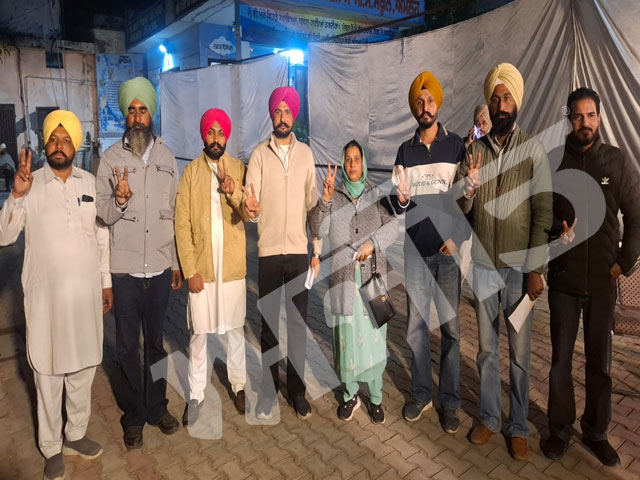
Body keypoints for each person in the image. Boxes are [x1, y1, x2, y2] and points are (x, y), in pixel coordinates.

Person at [0, 110, 112, 480]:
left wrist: (106, 282)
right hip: (46, 301)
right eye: (53, 139)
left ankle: (75, 434)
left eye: (66, 140)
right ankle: (50, 447)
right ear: (44, 145)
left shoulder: (89, 182)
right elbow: (4, 236)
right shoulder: (30, 185)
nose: (59, 145)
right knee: (48, 374)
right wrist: (16, 196)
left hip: (84, 298)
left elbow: (101, 236)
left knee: (82, 368)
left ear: (75, 146)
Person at [455, 63, 552, 460]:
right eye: (495, 99)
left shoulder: (532, 150)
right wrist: (468, 189)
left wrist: (536, 268)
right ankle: (491, 418)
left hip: (517, 270)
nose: (500, 105)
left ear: (517, 102)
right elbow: (460, 208)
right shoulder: (473, 152)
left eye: (506, 98)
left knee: (520, 354)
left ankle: (518, 426)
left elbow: (543, 212)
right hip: (483, 265)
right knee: (486, 350)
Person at [542, 87, 640, 466]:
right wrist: (555, 233)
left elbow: (636, 216)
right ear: (569, 118)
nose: (585, 122)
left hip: (602, 283)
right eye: (578, 116)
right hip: (564, 282)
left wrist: (622, 264)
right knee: (560, 362)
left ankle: (596, 432)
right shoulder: (555, 161)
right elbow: (542, 215)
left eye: (591, 115)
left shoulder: (616, 161)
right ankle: (559, 429)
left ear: (599, 117)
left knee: (600, 364)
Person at [96, 76, 182, 449]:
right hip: (125, 272)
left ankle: (157, 407)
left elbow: (176, 213)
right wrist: (119, 200)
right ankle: (133, 415)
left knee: (157, 346)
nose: (136, 116)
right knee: (127, 349)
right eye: (131, 110)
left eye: (142, 109)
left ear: (151, 114)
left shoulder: (167, 158)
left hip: (160, 268)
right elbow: (101, 214)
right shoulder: (110, 159)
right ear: (125, 115)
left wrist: (176, 262)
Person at [391, 71, 469, 434]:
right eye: (419, 102)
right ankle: (422, 393)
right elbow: (398, 203)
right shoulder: (404, 151)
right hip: (415, 253)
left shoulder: (456, 147)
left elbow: (468, 200)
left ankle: (449, 401)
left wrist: (456, 238)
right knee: (416, 329)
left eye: (430, 100)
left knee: (451, 330)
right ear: (414, 108)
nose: (425, 107)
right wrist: (400, 199)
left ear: (438, 103)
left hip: (447, 254)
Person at [244, 86, 322, 420]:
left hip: (299, 255)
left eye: (287, 111)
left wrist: (316, 249)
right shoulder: (259, 155)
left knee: (298, 326)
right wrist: (250, 210)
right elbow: (251, 205)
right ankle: (268, 392)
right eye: (277, 111)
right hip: (269, 255)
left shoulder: (305, 154)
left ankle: (297, 391)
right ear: (271, 115)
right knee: (269, 328)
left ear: (294, 115)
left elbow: (313, 207)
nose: (282, 117)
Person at [310, 140, 398, 424]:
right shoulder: (333, 195)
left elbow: (393, 226)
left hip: (372, 281)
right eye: (347, 159)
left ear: (363, 162)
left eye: (356, 159)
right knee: (347, 341)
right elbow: (317, 228)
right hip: (344, 283)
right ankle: (350, 395)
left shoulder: (376, 193)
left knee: (373, 340)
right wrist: (324, 201)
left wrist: (373, 243)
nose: (351, 164)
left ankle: (376, 398)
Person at [175, 108, 249, 426]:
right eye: (210, 132)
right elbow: (181, 224)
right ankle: (196, 394)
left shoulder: (239, 169)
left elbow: (248, 213)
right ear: (203, 135)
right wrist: (190, 269)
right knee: (198, 334)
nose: (215, 138)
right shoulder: (191, 172)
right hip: (202, 271)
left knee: (235, 331)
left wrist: (233, 193)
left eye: (220, 133)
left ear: (226, 136)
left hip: (231, 268)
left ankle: (239, 385)